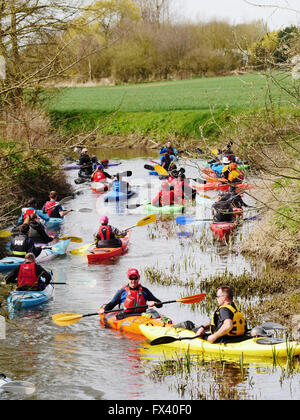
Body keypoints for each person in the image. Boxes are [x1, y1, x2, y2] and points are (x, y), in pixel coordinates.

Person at [98, 268, 163, 318]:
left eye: (135, 278)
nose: (133, 281)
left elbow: (160, 305)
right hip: (125, 316)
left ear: (139, 278)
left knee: (154, 313)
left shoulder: (144, 291)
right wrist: (104, 310)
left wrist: (155, 303)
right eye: (131, 278)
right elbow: (112, 303)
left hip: (141, 316)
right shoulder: (122, 291)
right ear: (128, 278)